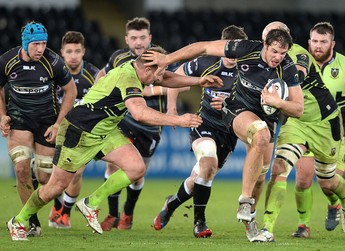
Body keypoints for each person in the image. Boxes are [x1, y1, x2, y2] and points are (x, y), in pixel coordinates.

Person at [7, 46, 223, 241]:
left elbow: (165, 77)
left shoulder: (139, 69)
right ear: (149, 69)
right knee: (56, 187)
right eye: (159, 71)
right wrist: (179, 119)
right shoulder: (128, 78)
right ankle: (19, 220)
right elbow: (139, 113)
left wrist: (197, 81)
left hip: (105, 131)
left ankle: (90, 203)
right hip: (79, 131)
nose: (162, 75)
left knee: (136, 167)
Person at [143, 27, 304, 237]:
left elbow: (298, 109)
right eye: (274, 51)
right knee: (213, 161)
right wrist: (167, 62)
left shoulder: (287, 68)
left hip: (242, 127)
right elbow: (195, 55)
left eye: (282, 54)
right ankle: (209, 218)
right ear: (265, 44)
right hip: (215, 120)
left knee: (253, 175)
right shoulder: (240, 51)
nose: (278, 57)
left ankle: (175, 203)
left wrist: (278, 102)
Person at [258, 21, 345, 241]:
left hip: (324, 122)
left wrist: (278, 94)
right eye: (266, 38)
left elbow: (299, 74)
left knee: (328, 181)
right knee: (280, 168)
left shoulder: (299, 54)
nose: (269, 43)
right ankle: (267, 228)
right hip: (296, 122)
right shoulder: (264, 56)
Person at [152, 25, 252, 239]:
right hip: (204, 123)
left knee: (199, 175)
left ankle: (172, 203)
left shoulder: (249, 69)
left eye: (238, 51)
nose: (234, 56)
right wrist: (171, 110)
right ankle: (199, 222)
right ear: (222, 46)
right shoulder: (206, 62)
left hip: (229, 131)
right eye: (230, 51)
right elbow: (173, 78)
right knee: (208, 162)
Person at [96, 17, 186, 231]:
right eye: (134, 38)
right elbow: (103, 75)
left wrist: (171, 107)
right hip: (124, 119)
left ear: (150, 38)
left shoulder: (160, 58)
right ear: (127, 39)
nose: (138, 42)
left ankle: (128, 211)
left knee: (138, 174)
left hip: (152, 124)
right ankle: (112, 214)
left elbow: (176, 83)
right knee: (115, 164)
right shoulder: (119, 58)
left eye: (143, 38)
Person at [292, 21, 345, 236]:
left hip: (338, 133)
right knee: (303, 178)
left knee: (328, 184)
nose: (318, 46)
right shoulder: (299, 65)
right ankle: (303, 226)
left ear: (333, 43)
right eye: (314, 41)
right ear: (308, 42)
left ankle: (339, 204)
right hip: (306, 128)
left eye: (323, 41)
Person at [0, 21, 77, 237]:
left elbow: (71, 90)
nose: (41, 49)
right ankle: (30, 222)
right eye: (36, 45)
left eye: (43, 43)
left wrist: (58, 123)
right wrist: (2, 115)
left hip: (46, 122)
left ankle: (36, 175)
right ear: (25, 44)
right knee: (21, 170)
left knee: (45, 180)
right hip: (19, 120)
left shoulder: (53, 61)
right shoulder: (7, 61)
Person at [47, 31, 100, 229]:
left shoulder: (94, 75)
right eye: (69, 51)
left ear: (83, 51)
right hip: (56, 131)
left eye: (77, 51)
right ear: (62, 53)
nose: (73, 55)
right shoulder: (53, 75)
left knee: (76, 174)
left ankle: (65, 214)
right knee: (52, 176)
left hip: (82, 134)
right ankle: (57, 204)